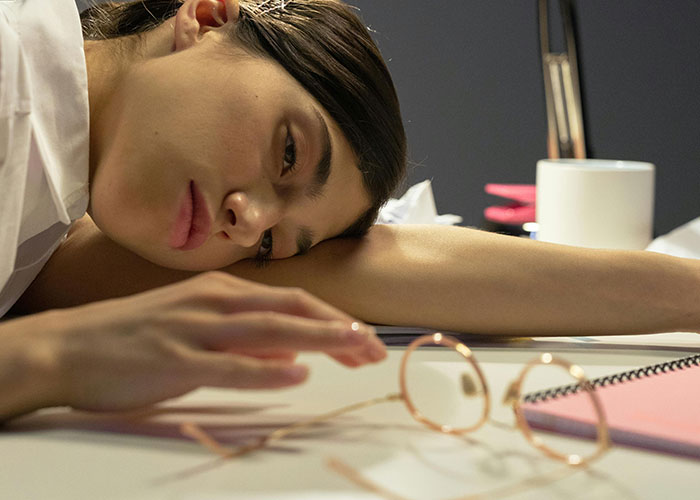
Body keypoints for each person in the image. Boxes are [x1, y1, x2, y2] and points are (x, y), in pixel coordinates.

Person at [3, 0, 700, 424]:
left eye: (274, 246)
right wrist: (54, 358)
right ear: (211, 15)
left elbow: (356, 273)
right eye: (285, 153)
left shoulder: (50, 200)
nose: (246, 224)